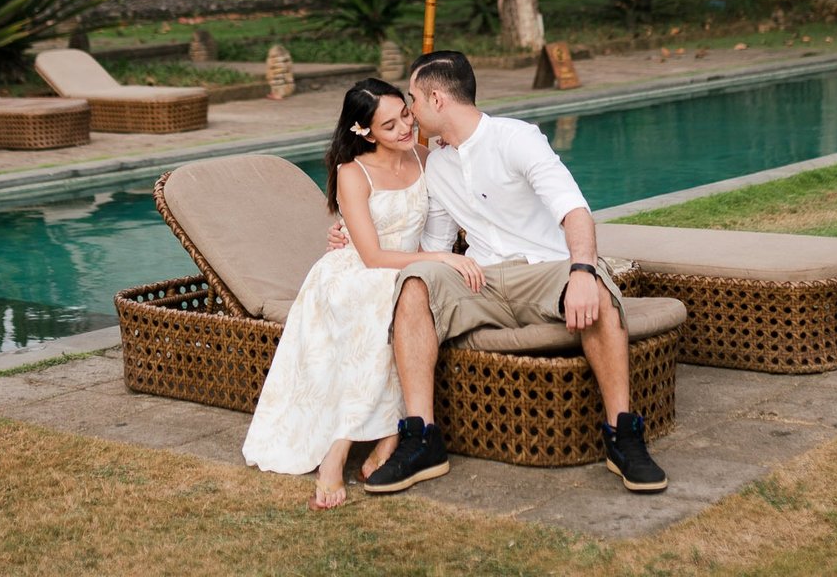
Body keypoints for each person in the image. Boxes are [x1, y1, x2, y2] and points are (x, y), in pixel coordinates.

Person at [360, 50, 669, 495]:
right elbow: (434, 247)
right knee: (415, 285)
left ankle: (623, 434)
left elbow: (574, 211)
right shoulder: (438, 164)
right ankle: (422, 438)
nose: (411, 111)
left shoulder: (517, 138)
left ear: (437, 99)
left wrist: (583, 271)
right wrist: (356, 237)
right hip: (479, 280)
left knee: (598, 290)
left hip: (542, 271)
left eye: (413, 99)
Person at [241, 78, 485, 510]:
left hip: (407, 271)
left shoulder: (427, 157)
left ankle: (389, 433)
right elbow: (371, 256)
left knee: (399, 297)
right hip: (355, 271)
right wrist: (439, 259)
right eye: (389, 126)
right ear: (366, 133)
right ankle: (342, 448)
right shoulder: (352, 173)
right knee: (381, 300)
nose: (405, 128)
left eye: (405, 114)